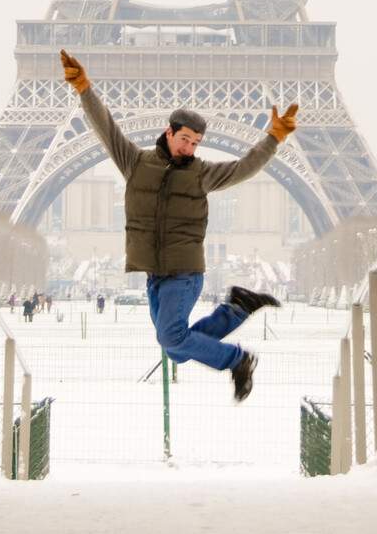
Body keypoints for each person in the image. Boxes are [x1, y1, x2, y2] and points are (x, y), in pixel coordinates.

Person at [60, 49, 297, 402]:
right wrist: (84, 88)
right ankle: (239, 307)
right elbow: (106, 128)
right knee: (175, 349)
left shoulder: (201, 173)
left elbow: (245, 167)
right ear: (168, 132)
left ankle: (238, 360)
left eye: (196, 143)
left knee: (172, 339)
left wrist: (274, 138)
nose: (190, 147)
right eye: (185, 139)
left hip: (184, 273)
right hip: (155, 274)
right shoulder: (135, 162)